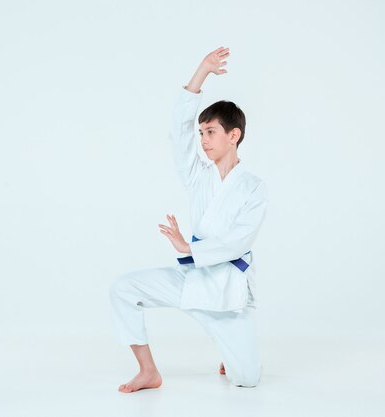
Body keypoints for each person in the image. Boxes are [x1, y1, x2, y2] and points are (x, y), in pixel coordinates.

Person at [109, 46, 268, 393]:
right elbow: (178, 132)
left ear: (234, 135)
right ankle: (148, 371)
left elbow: (239, 241)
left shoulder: (254, 189)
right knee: (123, 289)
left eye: (210, 132)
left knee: (247, 379)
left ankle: (232, 350)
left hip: (228, 292)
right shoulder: (198, 175)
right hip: (192, 280)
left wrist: (189, 248)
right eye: (202, 133)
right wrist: (201, 73)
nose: (203, 140)